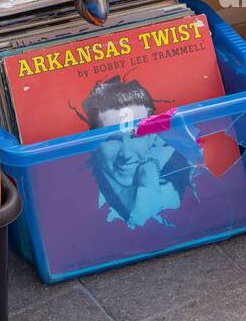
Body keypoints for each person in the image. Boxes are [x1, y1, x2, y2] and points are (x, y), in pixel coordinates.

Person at [80, 76, 192, 230]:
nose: (126, 155)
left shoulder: (182, 183)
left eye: (136, 135)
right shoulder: (77, 199)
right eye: (113, 139)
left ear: (153, 136)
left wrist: (148, 186)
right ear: (93, 142)